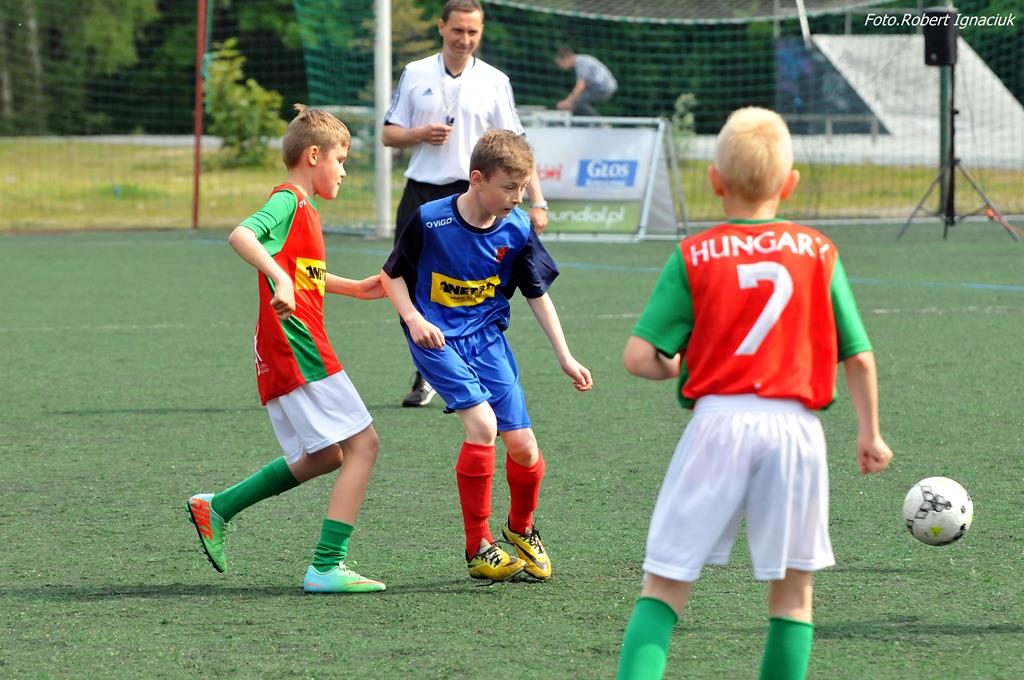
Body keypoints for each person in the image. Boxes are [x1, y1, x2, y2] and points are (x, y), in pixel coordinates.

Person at [615, 107, 894, 679]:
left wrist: (676, 366)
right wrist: (870, 433)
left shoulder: (695, 253)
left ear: (715, 181)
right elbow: (859, 356)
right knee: (793, 595)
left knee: (664, 585)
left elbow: (639, 357)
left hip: (718, 423)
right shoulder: (819, 251)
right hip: (796, 431)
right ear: (789, 184)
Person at [186, 104, 387, 594]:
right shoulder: (289, 201)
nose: (343, 171)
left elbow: (304, 274)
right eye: (340, 160)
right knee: (364, 445)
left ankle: (218, 507)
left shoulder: (305, 210)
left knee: (327, 455)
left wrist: (356, 288)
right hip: (296, 343)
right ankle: (326, 565)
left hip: (289, 345)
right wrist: (276, 276)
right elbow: (241, 235)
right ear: (313, 155)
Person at [379, 129, 592, 582]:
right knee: (482, 426)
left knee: (524, 446)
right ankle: (478, 545)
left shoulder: (518, 229)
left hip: (487, 340)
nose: (518, 197)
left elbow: (536, 294)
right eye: (509, 187)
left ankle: (521, 529)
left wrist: (565, 356)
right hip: (436, 340)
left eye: (523, 187)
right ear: (477, 179)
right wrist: (414, 319)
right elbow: (390, 274)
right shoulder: (430, 220)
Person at [383, 0, 550, 409]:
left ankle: (460, 366)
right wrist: (420, 133)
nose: (465, 39)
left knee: (469, 287)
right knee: (409, 282)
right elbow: (389, 134)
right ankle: (430, 368)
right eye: (458, 30)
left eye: (473, 32)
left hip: (472, 193)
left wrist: (538, 200)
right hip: (422, 193)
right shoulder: (415, 72)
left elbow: (518, 148)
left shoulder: (495, 80)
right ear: (442, 27)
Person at [554, 45, 618, 117]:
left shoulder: (582, 63)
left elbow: (580, 86)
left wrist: (568, 101)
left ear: (567, 58)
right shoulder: (581, 60)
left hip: (604, 88)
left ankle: (600, 123)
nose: (561, 66)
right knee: (575, 103)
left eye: (561, 63)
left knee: (577, 102)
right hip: (599, 86)